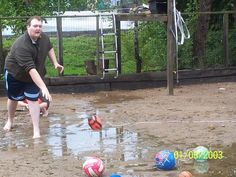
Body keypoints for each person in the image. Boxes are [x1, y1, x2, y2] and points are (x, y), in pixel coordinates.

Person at [4, 16, 64, 138]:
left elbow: (49, 47)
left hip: (34, 75)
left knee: (33, 99)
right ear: (28, 27)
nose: (38, 28)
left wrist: (55, 62)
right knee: (14, 98)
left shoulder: (43, 37)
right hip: (15, 74)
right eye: (35, 26)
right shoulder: (21, 45)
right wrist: (44, 87)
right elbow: (31, 69)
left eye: (40, 26)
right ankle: (10, 120)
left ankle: (36, 131)